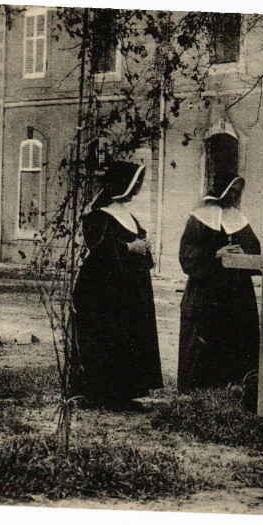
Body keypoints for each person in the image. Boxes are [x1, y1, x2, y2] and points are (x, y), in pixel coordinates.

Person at [71, 161, 163, 411]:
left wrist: (144, 245)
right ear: (122, 185)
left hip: (127, 288)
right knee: (109, 335)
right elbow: (100, 249)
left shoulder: (126, 214)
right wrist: (130, 247)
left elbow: (135, 241)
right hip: (105, 289)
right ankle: (102, 395)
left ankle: (124, 394)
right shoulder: (98, 215)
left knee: (128, 336)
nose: (137, 190)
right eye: (135, 184)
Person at [177, 176, 261, 392]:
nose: (235, 196)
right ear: (221, 192)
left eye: (238, 192)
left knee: (237, 336)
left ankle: (235, 387)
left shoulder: (238, 218)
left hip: (237, 290)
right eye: (231, 191)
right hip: (207, 289)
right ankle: (203, 391)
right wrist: (216, 253)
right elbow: (187, 254)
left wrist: (243, 253)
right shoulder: (200, 217)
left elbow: (255, 249)